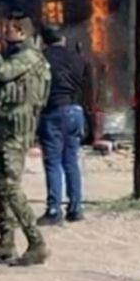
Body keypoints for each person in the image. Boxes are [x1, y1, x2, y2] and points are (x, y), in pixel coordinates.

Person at [0, 12, 52, 267]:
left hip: (16, 132)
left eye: (9, 28)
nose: (4, 32)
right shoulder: (16, 56)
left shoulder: (29, 57)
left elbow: (4, 73)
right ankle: (6, 243)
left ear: (22, 32)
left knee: (10, 185)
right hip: (3, 129)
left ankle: (36, 243)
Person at [36, 26, 93, 225]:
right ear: (63, 38)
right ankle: (75, 208)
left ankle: (54, 210)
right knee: (71, 161)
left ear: (44, 40)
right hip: (75, 112)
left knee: (53, 162)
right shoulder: (79, 59)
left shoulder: (41, 59)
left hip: (52, 112)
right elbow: (88, 89)